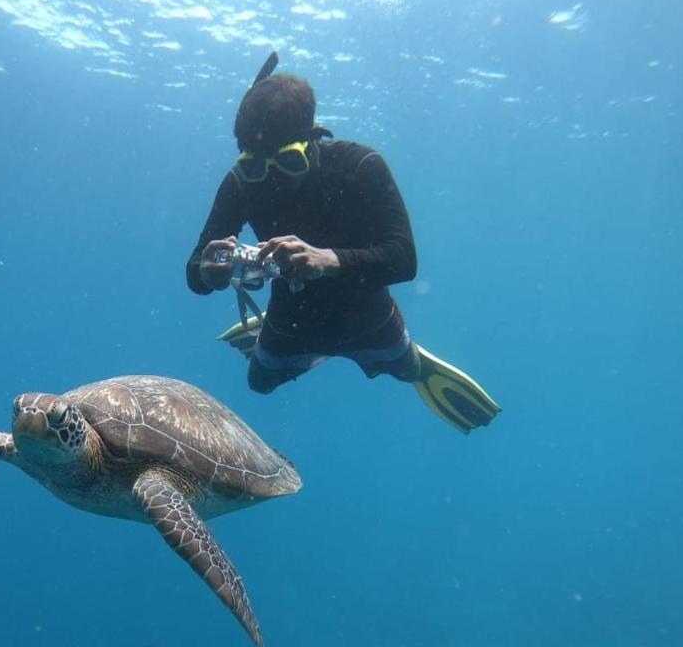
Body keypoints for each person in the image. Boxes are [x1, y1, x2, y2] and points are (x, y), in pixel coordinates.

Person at [186, 52, 501, 434]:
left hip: (366, 313)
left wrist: (328, 260)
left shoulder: (359, 166)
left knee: (406, 369)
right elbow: (195, 271)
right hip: (294, 316)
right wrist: (209, 273)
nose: (272, 178)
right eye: (256, 165)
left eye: (288, 161)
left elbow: (404, 260)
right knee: (259, 385)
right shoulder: (240, 182)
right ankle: (277, 329)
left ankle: (414, 359)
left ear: (313, 135)